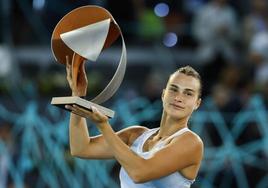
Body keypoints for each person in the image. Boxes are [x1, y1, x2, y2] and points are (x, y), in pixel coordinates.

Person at [65, 56, 204, 188]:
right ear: (163, 94)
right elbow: (81, 148)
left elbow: (140, 173)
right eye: (174, 90)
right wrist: (78, 95)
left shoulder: (191, 142)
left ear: (197, 103)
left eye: (188, 93)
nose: (178, 98)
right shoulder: (135, 134)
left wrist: (104, 125)